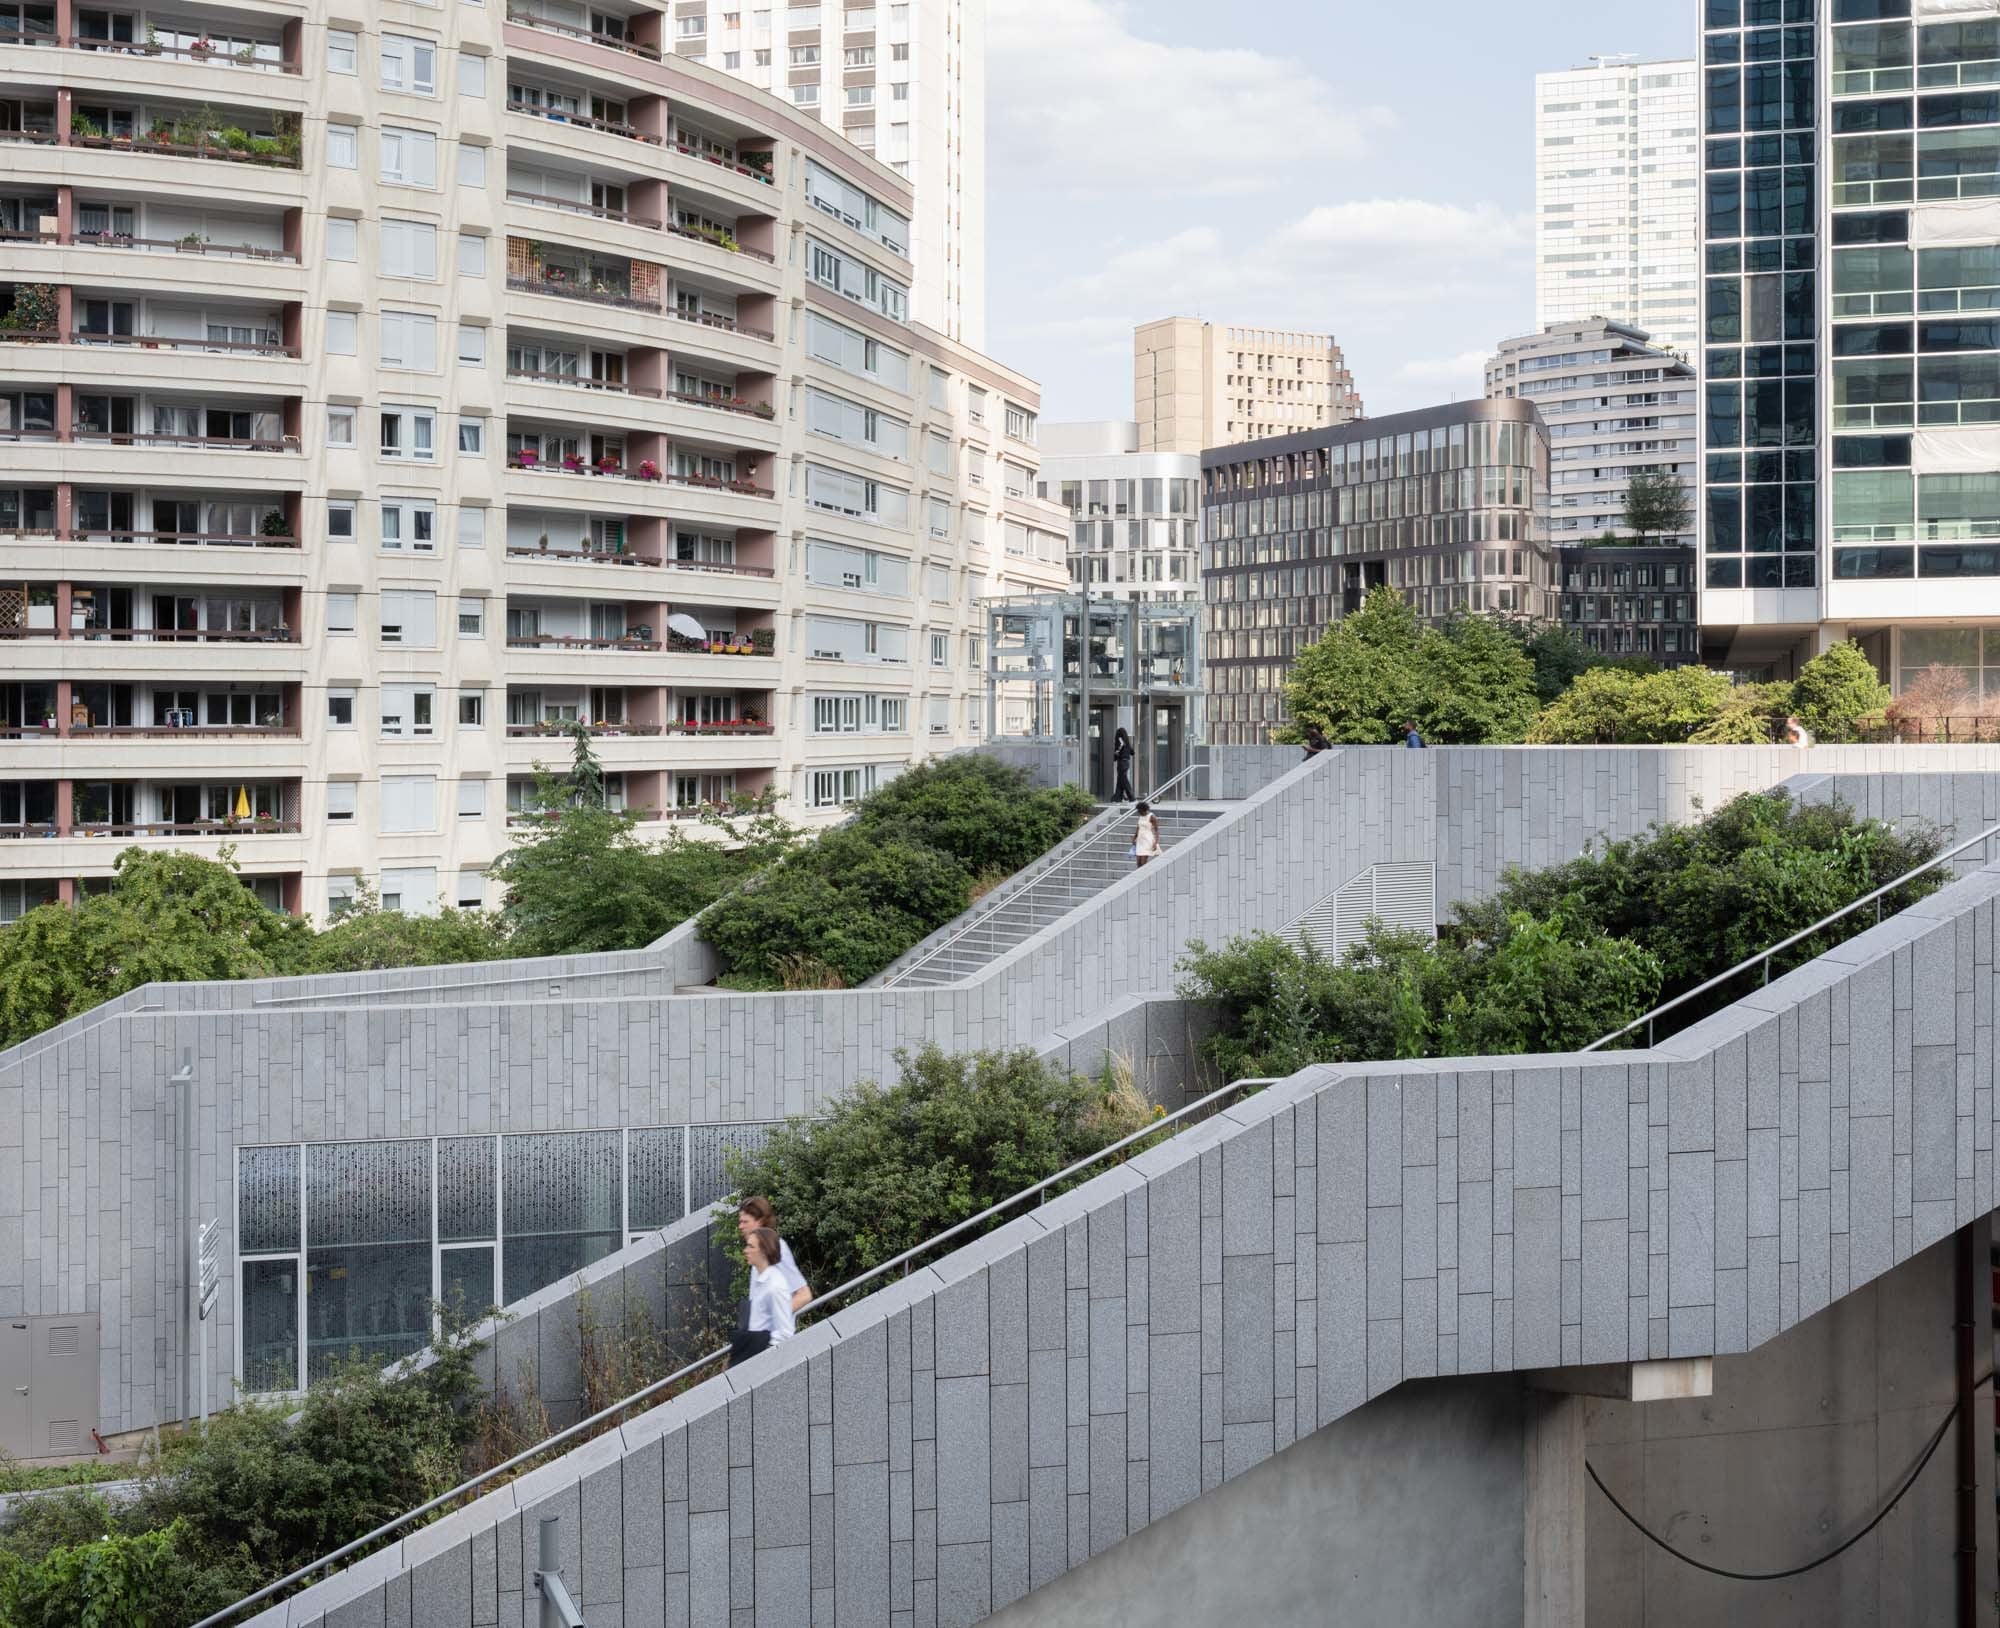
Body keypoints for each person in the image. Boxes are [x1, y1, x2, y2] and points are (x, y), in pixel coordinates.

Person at [729, 1227, 796, 1367]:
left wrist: (759, 1349)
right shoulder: (758, 1277)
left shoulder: (775, 1285)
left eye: (751, 1246)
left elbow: (785, 1332)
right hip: (750, 1354)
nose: (745, 1250)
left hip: (761, 1359)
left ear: (764, 1251)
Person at [738, 1197, 811, 1313]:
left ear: (760, 1221)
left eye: (745, 1222)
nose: (740, 1226)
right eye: (740, 1221)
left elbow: (804, 1295)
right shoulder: (757, 1251)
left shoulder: (777, 1248)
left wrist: (772, 1319)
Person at [1132, 799, 1161, 869]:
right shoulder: (1140, 817)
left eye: (1139, 810)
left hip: (1147, 840)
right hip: (1140, 840)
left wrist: (1156, 843)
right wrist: (1134, 838)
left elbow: (1156, 830)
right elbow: (1138, 828)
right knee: (1138, 862)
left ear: (1143, 809)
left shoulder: (1151, 816)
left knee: (1143, 861)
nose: (1138, 812)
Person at [1112, 725, 1136, 802]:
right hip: (1126, 763)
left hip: (1121, 763)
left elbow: (1116, 757)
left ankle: (1132, 798)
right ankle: (1117, 798)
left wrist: (1117, 751)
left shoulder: (1119, 743)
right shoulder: (1127, 742)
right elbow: (1132, 752)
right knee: (1120, 780)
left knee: (1124, 780)